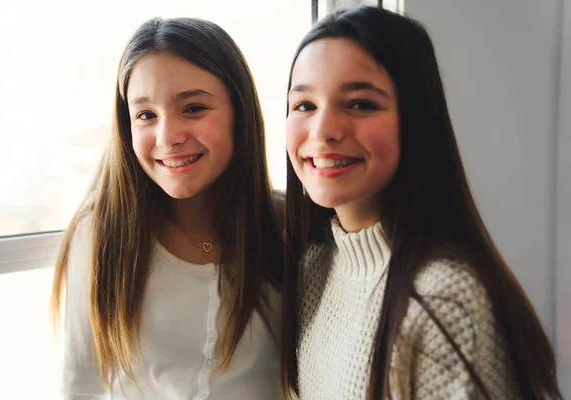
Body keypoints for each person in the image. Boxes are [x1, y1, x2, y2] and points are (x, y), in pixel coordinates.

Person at [280, 6, 562, 399]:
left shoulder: (442, 297)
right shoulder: (314, 267)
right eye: (304, 105)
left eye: (360, 103)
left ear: (415, 119)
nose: (323, 130)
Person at [50, 16, 284, 400]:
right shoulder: (102, 232)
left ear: (239, 112)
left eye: (193, 108)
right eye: (145, 115)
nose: (168, 137)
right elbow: (79, 386)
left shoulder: (289, 227)